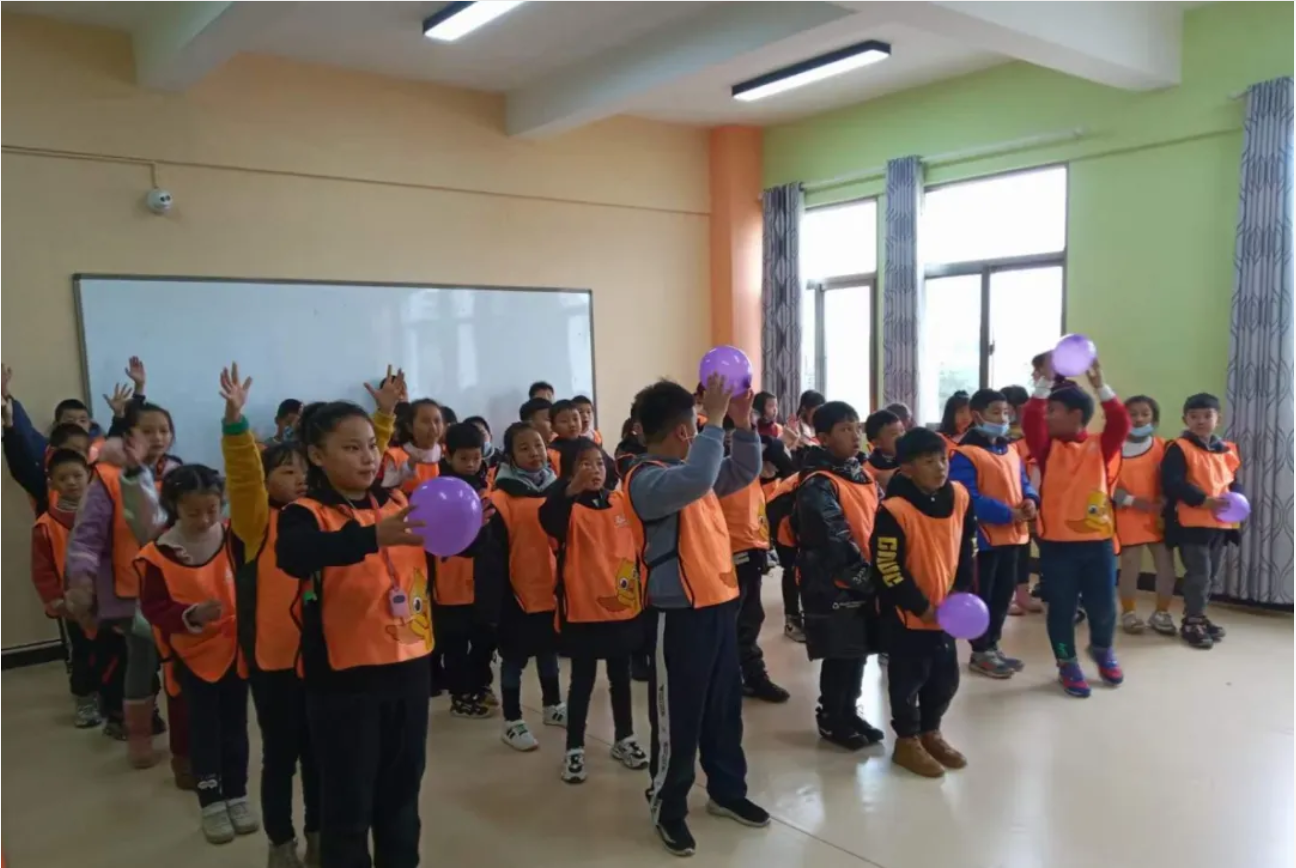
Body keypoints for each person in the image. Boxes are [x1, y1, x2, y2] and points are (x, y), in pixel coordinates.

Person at [275, 399, 434, 868]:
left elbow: (440, 553)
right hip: (345, 682)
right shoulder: (305, 513)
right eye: (351, 448)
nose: (367, 457)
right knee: (348, 806)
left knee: (402, 799)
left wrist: (473, 531)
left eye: (370, 446)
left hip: (409, 670)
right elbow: (295, 555)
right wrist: (373, 537)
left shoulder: (398, 503)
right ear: (317, 455)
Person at [624, 375, 768, 857]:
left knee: (723, 709)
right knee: (678, 719)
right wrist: (716, 421)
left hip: (718, 606)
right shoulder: (646, 479)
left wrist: (742, 425)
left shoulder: (694, 471)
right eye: (699, 423)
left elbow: (742, 470)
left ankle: (727, 791)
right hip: (678, 617)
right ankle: (668, 807)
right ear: (685, 431)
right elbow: (698, 479)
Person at [136, 465, 257, 845]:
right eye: (193, 513)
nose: (205, 520)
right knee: (203, 730)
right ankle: (211, 800)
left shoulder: (232, 537)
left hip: (235, 652)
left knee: (236, 726)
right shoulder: (158, 554)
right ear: (174, 507)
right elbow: (154, 606)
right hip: (191, 657)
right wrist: (190, 615)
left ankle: (237, 793)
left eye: (212, 509)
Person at [64, 399, 184, 771]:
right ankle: (139, 736)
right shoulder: (107, 477)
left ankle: (187, 743)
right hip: (133, 593)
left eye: (164, 430)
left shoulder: (179, 473)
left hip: (181, 588)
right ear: (129, 435)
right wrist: (81, 582)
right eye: (148, 431)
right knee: (141, 665)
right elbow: (86, 538)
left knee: (184, 667)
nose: (158, 438)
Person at [538, 437, 649, 783]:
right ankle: (574, 747)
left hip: (623, 609)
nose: (594, 470)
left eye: (599, 463)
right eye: (585, 464)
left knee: (620, 678)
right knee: (582, 682)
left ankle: (624, 738)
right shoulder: (565, 506)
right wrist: (570, 490)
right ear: (570, 471)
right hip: (583, 612)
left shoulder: (619, 502)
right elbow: (548, 520)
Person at [871, 428, 977, 777]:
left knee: (944, 679)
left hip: (946, 611)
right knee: (908, 679)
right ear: (907, 468)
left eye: (943, 459)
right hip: (908, 615)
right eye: (929, 461)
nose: (940, 467)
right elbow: (887, 567)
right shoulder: (894, 510)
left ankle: (931, 731)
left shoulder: (959, 496)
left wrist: (959, 590)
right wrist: (920, 606)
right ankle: (907, 740)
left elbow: (967, 546)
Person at [1022, 361, 1130, 697]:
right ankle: (1066, 661)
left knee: (1103, 607)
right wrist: (1044, 384)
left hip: (1098, 544)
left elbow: (1121, 422)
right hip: (1057, 546)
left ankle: (1102, 649)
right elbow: (1030, 418)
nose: (1046, 416)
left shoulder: (1100, 446)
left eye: (1053, 411)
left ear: (1076, 415)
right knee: (1062, 609)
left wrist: (1101, 386)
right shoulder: (1046, 448)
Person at [794, 401, 884, 750]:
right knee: (840, 653)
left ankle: (849, 710)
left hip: (863, 577)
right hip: (834, 583)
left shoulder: (861, 474)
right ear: (823, 438)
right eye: (845, 429)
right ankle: (831, 716)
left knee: (858, 650)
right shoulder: (818, 483)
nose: (855, 435)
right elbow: (832, 538)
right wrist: (864, 578)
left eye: (856, 427)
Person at [949, 389, 1039, 680]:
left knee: (1002, 596)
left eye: (1006, 412)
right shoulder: (964, 453)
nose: (1002, 418)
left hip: (1013, 536)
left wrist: (1030, 500)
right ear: (977, 416)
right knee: (983, 597)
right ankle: (979, 651)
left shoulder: (1010, 449)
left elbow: (1023, 481)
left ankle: (993, 645)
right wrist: (1007, 513)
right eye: (995, 413)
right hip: (983, 541)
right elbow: (967, 497)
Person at [489, 421, 565, 750]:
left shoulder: (558, 491)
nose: (534, 453)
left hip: (552, 590)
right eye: (524, 448)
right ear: (510, 456)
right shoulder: (500, 499)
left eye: (538, 445)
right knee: (514, 660)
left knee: (549, 652)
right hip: (515, 593)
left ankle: (553, 705)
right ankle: (512, 720)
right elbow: (492, 556)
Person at [1160, 393, 1244, 650]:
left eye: (1207, 416)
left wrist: (1238, 500)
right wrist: (1202, 500)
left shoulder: (1227, 450)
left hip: (1220, 524)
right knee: (1199, 573)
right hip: (1191, 523)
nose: (1200, 421)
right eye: (1194, 416)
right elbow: (1172, 483)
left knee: (1211, 574)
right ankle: (1192, 622)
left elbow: (1233, 482)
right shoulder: (1179, 447)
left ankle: (1198, 614)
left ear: (1218, 419)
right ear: (1185, 419)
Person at [432, 422, 503, 719]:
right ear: (448, 456)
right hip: (451, 578)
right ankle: (460, 695)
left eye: (476, 457)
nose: (472, 463)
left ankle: (480, 684)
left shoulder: (486, 484)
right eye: (464, 458)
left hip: (483, 577)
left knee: (485, 636)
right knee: (456, 642)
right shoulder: (439, 490)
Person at [30, 448, 105, 728]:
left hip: (108, 597)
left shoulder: (104, 515)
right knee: (82, 652)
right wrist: (55, 599)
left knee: (110, 650)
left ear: (89, 476)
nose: (71, 482)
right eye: (63, 478)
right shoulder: (46, 526)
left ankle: (110, 697)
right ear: (52, 484)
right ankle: (85, 700)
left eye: (77, 475)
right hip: (73, 604)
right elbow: (42, 569)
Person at [716, 419, 789, 704]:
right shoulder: (717, 467)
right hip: (725, 552)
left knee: (750, 618)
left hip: (753, 547)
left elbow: (784, 469)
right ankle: (729, 680)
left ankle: (753, 676)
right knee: (730, 623)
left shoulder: (753, 464)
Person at [1113, 395, 1177, 636]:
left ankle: (1162, 612)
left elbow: (1174, 479)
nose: (1138, 419)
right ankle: (1128, 612)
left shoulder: (1164, 447)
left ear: (1154, 418)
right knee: (1130, 565)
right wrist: (1131, 501)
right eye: (1133, 414)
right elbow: (1106, 482)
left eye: (1145, 414)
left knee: (1166, 566)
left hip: (1158, 516)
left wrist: (1165, 500)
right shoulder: (1113, 448)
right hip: (1127, 514)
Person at [1000, 385, 1043, 616]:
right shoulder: (1001, 436)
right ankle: (1006, 597)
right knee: (1011, 551)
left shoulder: (1033, 434)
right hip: (1007, 499)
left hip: (1031, 497)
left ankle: (1024, 594)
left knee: (1027, 549)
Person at [381, 396, 443, 493]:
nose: (433, 427)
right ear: (410, 427)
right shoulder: (395, 456)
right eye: (426, 421)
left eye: (437, 421)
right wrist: (409, 466)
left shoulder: (445, 454)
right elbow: (386, 490)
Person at [863, 409, 905, 490]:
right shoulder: (867, 471)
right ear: (876, 443)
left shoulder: (914, 459)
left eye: (902, 430)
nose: (901, 437)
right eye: (894, 434)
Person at [781, 389, 825, 454]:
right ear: (804, 409)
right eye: (816, 412)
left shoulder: (824, 427)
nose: (819, 416)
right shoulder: (792, 428)